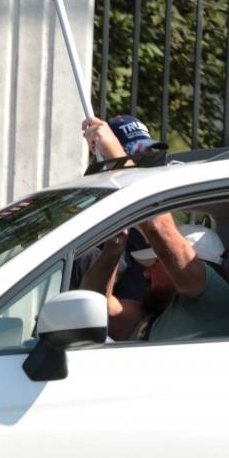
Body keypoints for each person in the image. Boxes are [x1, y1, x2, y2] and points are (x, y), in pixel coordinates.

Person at [79, 117, 229, 340]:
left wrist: (117, 155)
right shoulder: (156, 315)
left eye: (157, 261)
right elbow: (96, 305)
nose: (145, 272)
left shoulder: (215, 304)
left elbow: (158, 227)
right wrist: (114, 248)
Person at [69, 115, 161, 339]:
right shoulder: (92, 237)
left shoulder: (152, 225)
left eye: (149, 158)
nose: (144, 168)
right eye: (135, 159)